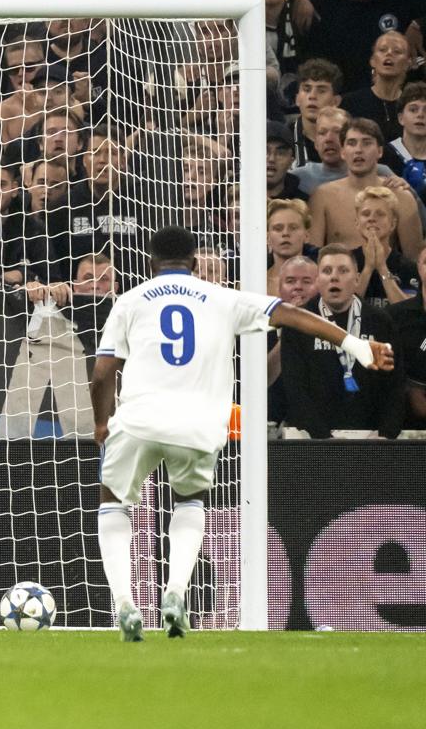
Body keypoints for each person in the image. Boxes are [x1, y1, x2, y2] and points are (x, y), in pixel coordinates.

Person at [91, 224, 394, 641]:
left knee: (114, 504)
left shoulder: (129, 301)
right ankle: (176, 591)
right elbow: (290, 314)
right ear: (195, 264)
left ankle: (125, 603)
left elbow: (103, 371)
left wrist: (101, 421)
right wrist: (355, 345)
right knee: (190, 501)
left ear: (150, 263)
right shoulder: (221, 297)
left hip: (139, 419)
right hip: (199, 425)